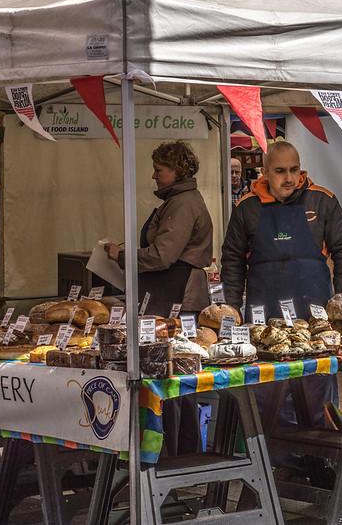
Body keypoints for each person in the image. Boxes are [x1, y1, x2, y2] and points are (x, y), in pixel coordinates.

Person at [220, 140, 342, 471]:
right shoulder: (247, 208)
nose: (289, 178)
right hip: (264, 321)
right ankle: (274, 467)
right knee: (269, 394)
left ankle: (320, 463)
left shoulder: (322, 200)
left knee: (316, 391)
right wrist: (231, 309)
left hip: (315, 319)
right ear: (265, 172)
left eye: (294, 170)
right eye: (280, 171)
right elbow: (233, 262)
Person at [104, 140, 213, 456]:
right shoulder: (178, 200)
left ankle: (178, 452)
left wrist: (122, 255)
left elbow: (163, 255)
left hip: (179, 293)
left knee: (175, 377)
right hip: (171, 290)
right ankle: (177, 450)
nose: (154, 176)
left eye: (158, 169)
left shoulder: (182, 203)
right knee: (175, 376)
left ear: (176, 170)